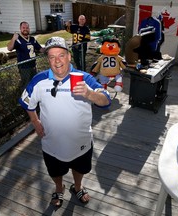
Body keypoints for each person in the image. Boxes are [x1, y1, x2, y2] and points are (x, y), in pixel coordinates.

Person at [18, 37, 111, 206]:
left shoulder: (84, 78)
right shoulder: (39, 81)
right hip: (51, 143)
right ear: (48, 60)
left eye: (61, 55)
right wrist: (36, 122)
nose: (57, 61)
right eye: (52, 56)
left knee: (80, 168)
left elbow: (106, 101)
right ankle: (59, 189)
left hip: (80, 142)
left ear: (69, 56)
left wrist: (90, 94)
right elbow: (26, 103)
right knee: (55, 171)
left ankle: (77, 186)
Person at [7, 21, 44, 89]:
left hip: (33, 65)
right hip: (24, 67)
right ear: (20, 29)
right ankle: (24, 98)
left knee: (35, 83)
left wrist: (49, 49)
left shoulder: (32, 39)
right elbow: (9, 48)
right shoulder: (18, 39)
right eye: (23, 27)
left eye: (27, 27)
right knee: (26, 84)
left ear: (29, 29)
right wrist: (13, 39)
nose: (25, 29)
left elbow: (40, 49)